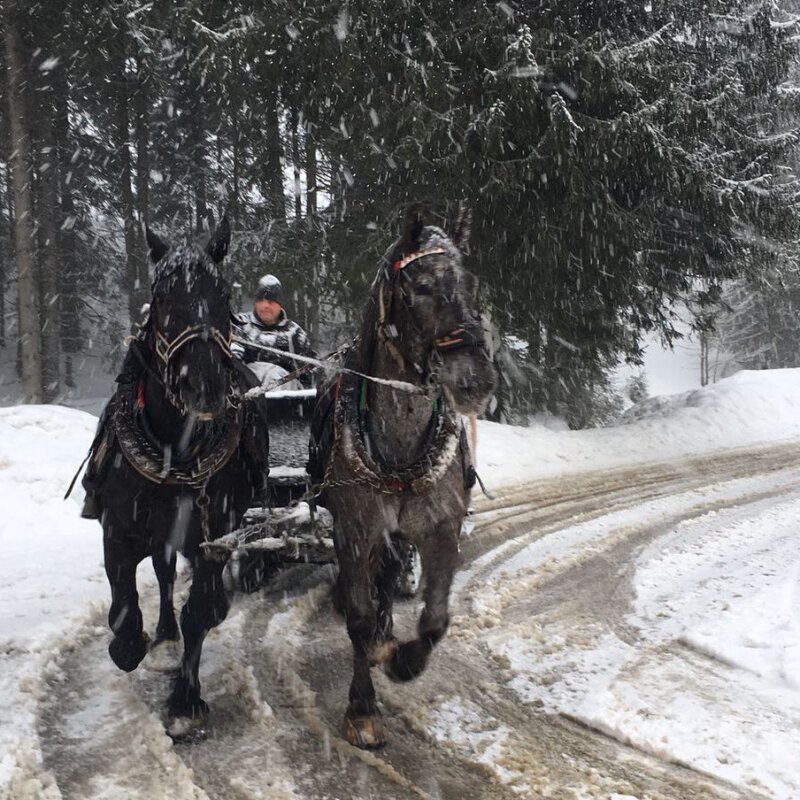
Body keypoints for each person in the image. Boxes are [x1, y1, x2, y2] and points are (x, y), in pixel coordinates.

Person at [232, 274, 316, 388]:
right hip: (245, 393)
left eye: (271, 301)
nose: (265, 306)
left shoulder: (294, 334)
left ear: (280, 304)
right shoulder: (239, 325)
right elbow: (228, 363)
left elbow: (310, 376)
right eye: (261, 300)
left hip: (284, 395)